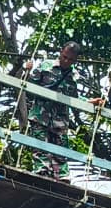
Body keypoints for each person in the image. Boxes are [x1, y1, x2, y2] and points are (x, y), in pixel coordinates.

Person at [24, 41, 106, 180]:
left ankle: (62, 177)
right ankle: (42, 172)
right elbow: (29, 86)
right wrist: (27, 71)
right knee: (40, 147)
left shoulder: (73, 76)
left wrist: (91, 102)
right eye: (64, 57)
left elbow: (74, 99)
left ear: (76, 60)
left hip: (60, 119)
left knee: (60, 151)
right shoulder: (46, 66)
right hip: (40, 114)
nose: (66, 61)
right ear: (61, 52)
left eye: (71, 59)